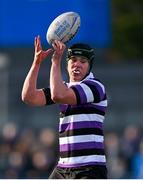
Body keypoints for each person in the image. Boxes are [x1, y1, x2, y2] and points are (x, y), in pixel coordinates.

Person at [21, 35, 108, 179]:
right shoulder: (63, 87)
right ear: (67, 64)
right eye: (73, 60)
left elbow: (58, 96)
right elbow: (29, 97)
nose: (77, 64)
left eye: (83, 61)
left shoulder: (95, 86)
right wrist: (36, 63)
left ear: (89, 66)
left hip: (89, 168)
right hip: (63, 168)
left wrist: (55, 61)